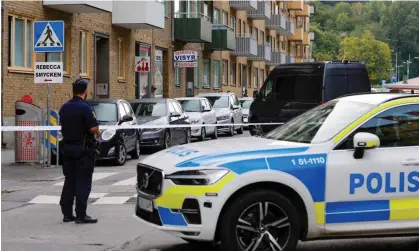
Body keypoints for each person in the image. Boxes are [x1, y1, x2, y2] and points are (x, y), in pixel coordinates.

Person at [58, 78, 101, 224]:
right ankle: (81, 215)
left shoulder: (64, 107)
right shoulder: (86, 108)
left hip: (67, 150)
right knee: (83, 182)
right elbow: (93, 128)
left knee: (69, 181)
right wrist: (99, 134)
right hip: (83, 151)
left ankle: (67, 214)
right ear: (85, 91)